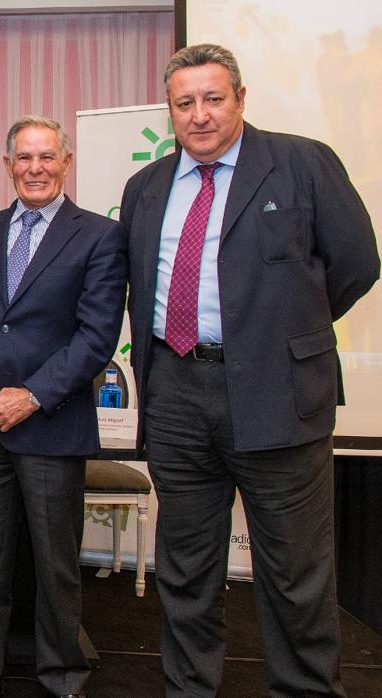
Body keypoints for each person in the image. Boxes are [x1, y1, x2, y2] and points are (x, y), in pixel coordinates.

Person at [119, 43, 379, 697]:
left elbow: (355, 264)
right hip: (177, 390)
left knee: (296, 573)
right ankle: (189, 689)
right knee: (185, 569)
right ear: (170, 110)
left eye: (213, 99)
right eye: (185, 103)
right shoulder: (146, 187)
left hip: (277, 391)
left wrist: (286, 336)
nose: (200, 115)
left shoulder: (301, 163)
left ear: (239, 98)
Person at [0, 115, 127, 698]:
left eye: (47, 157)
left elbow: (96, 337)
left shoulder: (98, 235)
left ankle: (62, 678)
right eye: (24, 158)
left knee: (55, 565)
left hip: (52, 422)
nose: (35, 168)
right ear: (8, 166)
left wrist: (32, 396)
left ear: (66, 162)